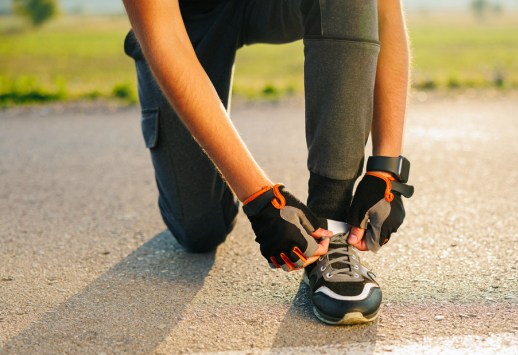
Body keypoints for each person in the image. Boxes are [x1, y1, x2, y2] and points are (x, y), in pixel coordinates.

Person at [123, 0, 414, 325]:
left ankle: (331, 223)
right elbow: (164, 37)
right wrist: (261, 199)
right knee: (200, 230)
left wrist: (387, 169)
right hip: (187, 19)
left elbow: (385, 10)